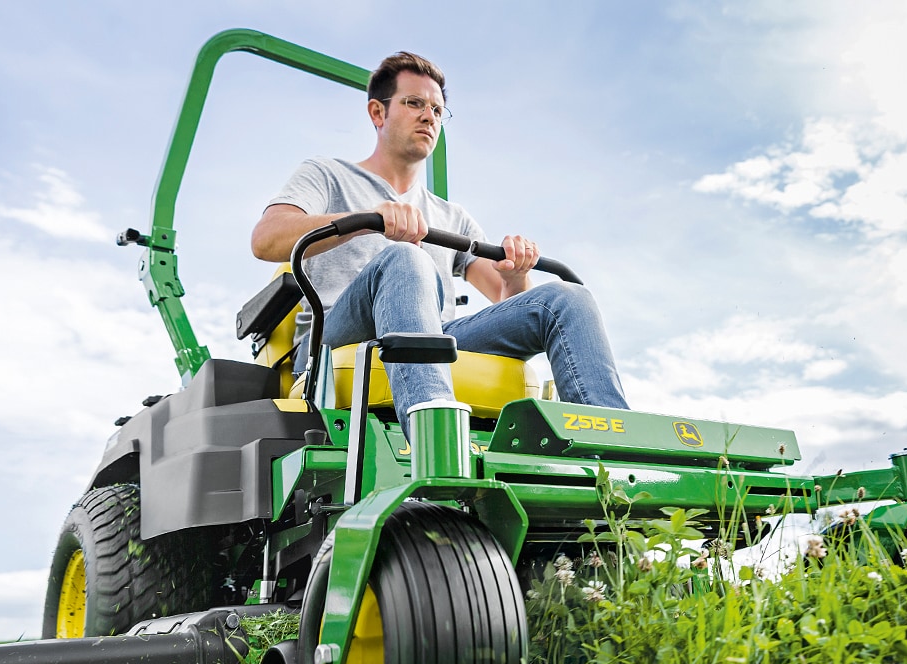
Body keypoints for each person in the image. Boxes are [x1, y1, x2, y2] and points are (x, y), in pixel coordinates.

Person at [250, 51, 628, 432]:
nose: (428, 115)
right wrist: (364, 223)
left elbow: (507, 301)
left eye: (437, 109)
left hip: (434, 338)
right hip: (334, 338)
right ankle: (434, 433)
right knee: (406, 260)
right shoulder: (327, 174)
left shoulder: (452, 217)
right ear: (378, 114)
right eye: (413, 103)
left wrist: (516, 274)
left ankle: (615, 448)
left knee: (567, 298)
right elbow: (266, 239)